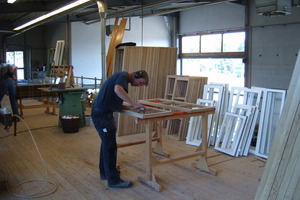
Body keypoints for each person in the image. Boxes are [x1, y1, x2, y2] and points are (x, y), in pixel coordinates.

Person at [91, 70, 149, 189]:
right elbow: (118, 90)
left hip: (102, 113)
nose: (139, 85)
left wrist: (132, 107)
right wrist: (134, 103)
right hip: (102, 115)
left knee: (106, 145)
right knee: (110, 147)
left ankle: (105, 173)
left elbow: (113, 99)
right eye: (140, 82)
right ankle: (114, 181)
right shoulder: (123, 76)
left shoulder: (121, 78)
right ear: (136, 75)